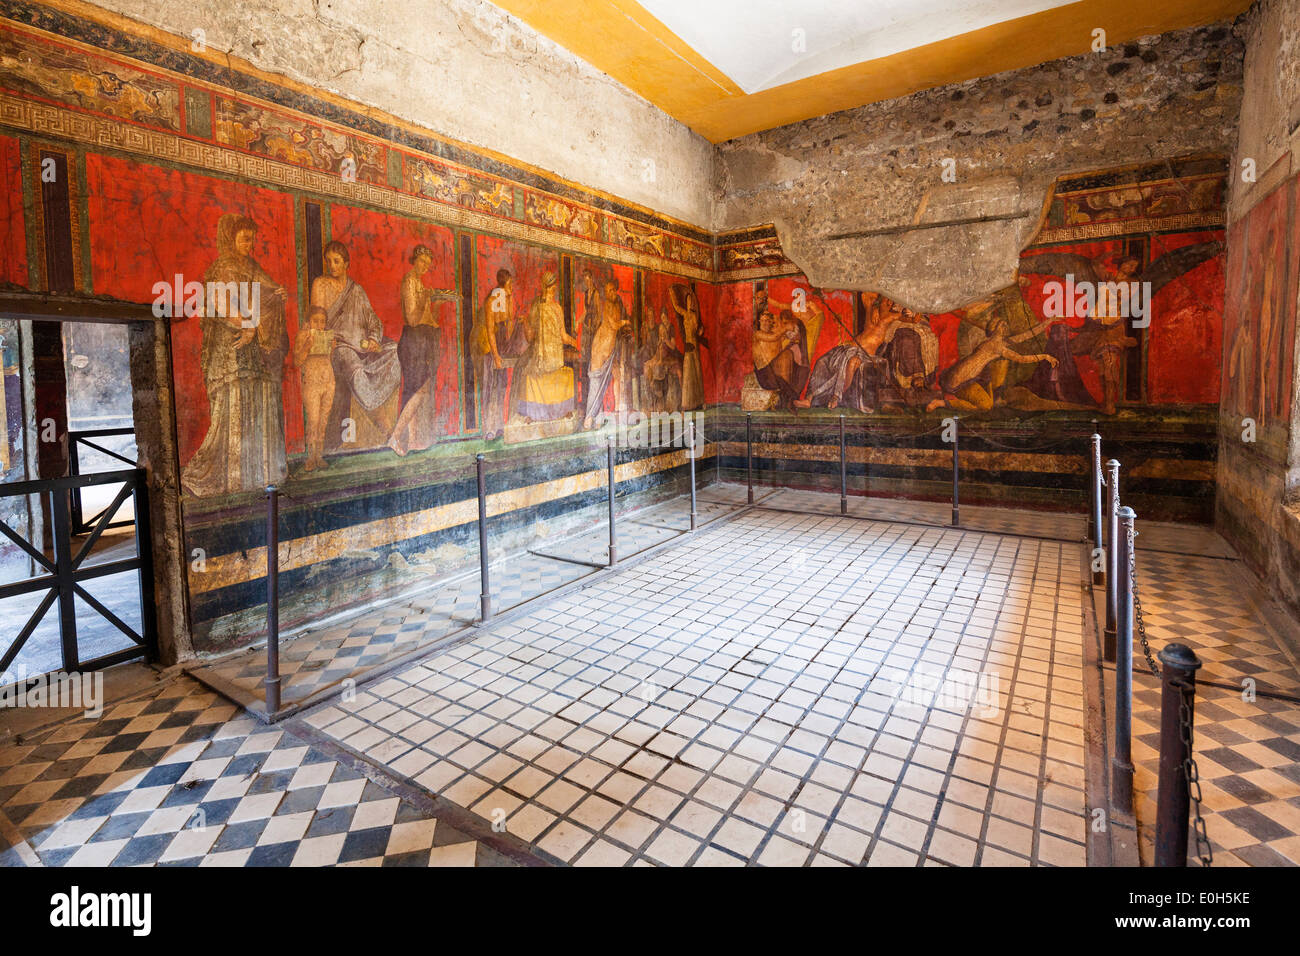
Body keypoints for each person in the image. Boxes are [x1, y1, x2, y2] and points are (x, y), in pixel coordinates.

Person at [182, 213, 289, 497]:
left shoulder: (252, 266)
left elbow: (267, 292)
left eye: (251, 239)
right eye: (244, 239)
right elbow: (220, 303)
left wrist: (278, 293)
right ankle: (231, 476)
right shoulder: (222, 268)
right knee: (235, 403)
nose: (249, 244)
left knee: (258, 399)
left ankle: (259, 472)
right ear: (231, 238)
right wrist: (245, 324)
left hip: (253, 345)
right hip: (230, 347)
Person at [311, 240, 400, 450]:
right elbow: (316, 320)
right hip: (338, 346)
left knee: (394, 350)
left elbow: (372, 320)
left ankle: (386, 431)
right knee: (357, 372)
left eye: (337, 261)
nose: (332, 266)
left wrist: (373, 340)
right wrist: (325, 342)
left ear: (346, 263)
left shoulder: (356, 290)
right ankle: (388, 432)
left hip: (361, 346)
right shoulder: (320, 284)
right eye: (329, 261)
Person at [942, 312, 1058, 411]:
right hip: (959, 381)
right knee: (986, 406)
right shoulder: (996, 346)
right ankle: (942, 403)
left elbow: (1027, 335)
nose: (1005, 326)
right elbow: (1021, 358)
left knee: (989, 402)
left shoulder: (998, 343)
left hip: (964, 378)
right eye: (1002, 324)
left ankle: (954, 399)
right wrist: (1045, 356)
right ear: (995, 328)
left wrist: (1049, 321)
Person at [511, 271, 578, 423]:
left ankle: (556, 411)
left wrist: (575, 343)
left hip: (551, 358)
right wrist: (526, 323)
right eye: (550, 288)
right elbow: (534, 337)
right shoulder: (545, 307)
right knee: (528, 375)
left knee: (529, 374)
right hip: (548, 359)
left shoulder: (554, 308)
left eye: (552, 288)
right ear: (546, 288)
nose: (551, 292)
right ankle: (550, 412)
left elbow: (561, 336)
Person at [396, 244, 458, 407]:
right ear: (414, 260)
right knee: (414, 391)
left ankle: (417, 433)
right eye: (422, 261)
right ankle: (402, 433)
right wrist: (424, 298)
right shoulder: (410, 281)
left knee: (423, 392)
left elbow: (430, 320)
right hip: (413, 342)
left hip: (424, 342)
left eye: (427, 263)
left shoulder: (419, 283)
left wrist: (436, 304)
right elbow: (412, 320)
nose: (425, 266)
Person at [583, 279, 634, 428]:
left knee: (614, 377)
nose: (612, 293)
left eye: (613, 290)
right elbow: (613, 325)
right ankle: (589, 418)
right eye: (609, 291)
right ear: (606, 293)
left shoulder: (617, 304)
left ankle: (614, 412)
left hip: (610, 349)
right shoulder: (607, 307)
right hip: (600, 348)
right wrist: (625, 322)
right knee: (596, 383)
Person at [293, 306, 335, 471]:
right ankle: (310, 457)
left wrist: (332, 348)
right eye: (315, 321)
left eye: (322, 322)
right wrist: (307, 346)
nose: (319, 325)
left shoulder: (326, 336)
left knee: (323, 421)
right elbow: (297, 361)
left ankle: (319, 455)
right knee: (313, 420)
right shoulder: (303, 335)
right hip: (311, 382)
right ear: (308, 322)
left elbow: (328, 359)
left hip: (328, 380)